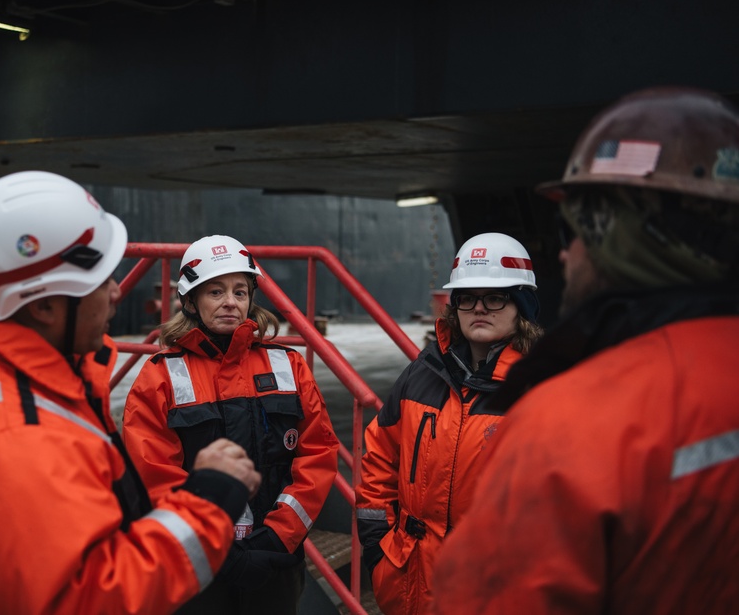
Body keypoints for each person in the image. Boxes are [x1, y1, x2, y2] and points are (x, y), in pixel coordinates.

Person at [0, 172, 261, 614]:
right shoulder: (5, 439)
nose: (117, 293)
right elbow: (88, 598)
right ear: (42, 306)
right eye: (98, 281)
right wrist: (210, 497)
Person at [427, 86, 739, 614]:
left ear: (618, 237)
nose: (566, 255)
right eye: (469, 299)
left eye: (575, 231)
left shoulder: (569, 423)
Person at [121, 234, 339, 615]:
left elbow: (317, 456)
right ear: (190, 300)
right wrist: (214, 545)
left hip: (275, 560)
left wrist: (276, 537)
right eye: (215, 292)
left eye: (240, 292)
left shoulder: (289, 367)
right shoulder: (159, 378)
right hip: (197, 565)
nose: (230, 303)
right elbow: (153, 474)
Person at [355, 232, 543, 615]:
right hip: (409, 580)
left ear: (520, 304)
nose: (479, 308)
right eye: (467, 298)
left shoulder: (539, 389)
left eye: (495, 298)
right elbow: (378, 457)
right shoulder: (421, 374)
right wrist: (378, 549)